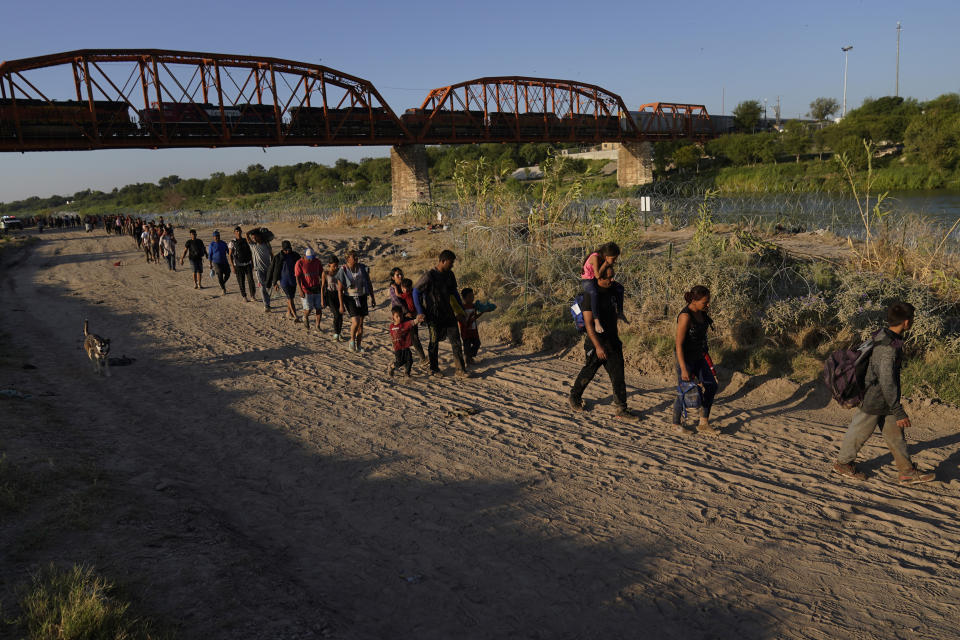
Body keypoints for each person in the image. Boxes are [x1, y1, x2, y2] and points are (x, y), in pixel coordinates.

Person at [833, 302, 936, 484]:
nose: (912, 323)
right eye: (911, 320)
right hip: (875, 397)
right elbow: (886, 380)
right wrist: (898, 409)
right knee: (859, 432)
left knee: (895, 434)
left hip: (883, 398)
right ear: (906, 322)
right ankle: (843, 463)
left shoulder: (882, 335)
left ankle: (906, 472)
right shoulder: (888, 347)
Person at [568, 268, 637, 419]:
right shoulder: (590, 295)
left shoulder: (613, 291)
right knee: (589, 371)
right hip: (596, 342)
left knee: (618, 376)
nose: (612, 280)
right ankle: (575, 396)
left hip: (613, 341)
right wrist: (598, 347)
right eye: (609, 278)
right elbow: (588, 324)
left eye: (613, 277)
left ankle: (621, 409)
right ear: (599, 278)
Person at [413, 249, 470, 378]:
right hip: (433, 315)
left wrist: (461, 309)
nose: (452, 265)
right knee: (434, 342)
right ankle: (433, 368)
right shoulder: (429, 276)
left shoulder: (450, 275)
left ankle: (460, 369)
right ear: (443, 261)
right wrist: (420, 312)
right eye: (451, 262)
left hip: (448, 313)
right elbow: (416, 292)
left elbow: (454, 293)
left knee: (456, 340)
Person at [673, 285, 720, 435]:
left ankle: (703, 423)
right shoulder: (685, 317)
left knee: (711, 385)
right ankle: (676, 423)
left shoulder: (702, 313)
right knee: (684, 390)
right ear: (694, 300)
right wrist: (684, 368)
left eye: (708, 301)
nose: (708, 304)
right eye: (705, 302)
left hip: (700, 356)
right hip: (685, 359)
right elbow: (678, 345)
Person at [580, 242, 626, 333]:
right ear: (606, 256)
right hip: (587, 281)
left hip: (595, 279)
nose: (615, 260)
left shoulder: (605, 259)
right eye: (613, 258)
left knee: (619, 288)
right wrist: (605, 264)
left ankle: (620, 311)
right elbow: (597, 275)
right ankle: (596, 320)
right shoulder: (595, 258)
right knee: (594, 293)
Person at [336, 250, 376, 353]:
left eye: (356, 256)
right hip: (350, 298)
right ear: (347, 259)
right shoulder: (343, 270)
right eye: (354, 257)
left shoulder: (362, 268)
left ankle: (358, 345)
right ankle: (351, 341)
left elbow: (369, 283)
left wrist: (372, 297)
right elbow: (340, 289)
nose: (356, 258)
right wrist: (341, 305)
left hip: (362, 297)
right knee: (356, 321)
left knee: (361, 325)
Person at [267, 240, 301, 322]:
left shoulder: (295, 255)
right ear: (282, 249)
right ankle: (295, 315)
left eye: (289, 249)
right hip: (284, 281)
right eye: (286, 249)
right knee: (290, 298)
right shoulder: (278, 257)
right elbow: (272, 270)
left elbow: (302, 265)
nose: (287, 251)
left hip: (293, 280)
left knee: (291, 297)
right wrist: (274, 283)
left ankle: (288, 313)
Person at [388, 305, 422, 377]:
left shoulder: (403, 325)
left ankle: (407, 374)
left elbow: (411, 323)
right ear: (393, 317)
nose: (399, 318)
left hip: (405, 347)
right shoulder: (391, 326)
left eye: (400, 316)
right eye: (397, 316)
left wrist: (417, 320)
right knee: (400, 362)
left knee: (410, 360)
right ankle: (392, 366)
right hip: (397, 349)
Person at [295, 248, 324, 331]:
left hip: (317, 287)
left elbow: (321, 273)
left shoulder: (317, 261)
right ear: (305, 256)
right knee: (309, 308)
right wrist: (300, 290)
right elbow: (297, 277)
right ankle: (305, 316)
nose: (311, 259)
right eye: (309, 258)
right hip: (306, 289)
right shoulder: (299, 263)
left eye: (312, 257)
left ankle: (317, 326)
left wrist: (323, 285)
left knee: (319, 308)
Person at [400, 277, 426, 362]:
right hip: (407, 318)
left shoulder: (410, 294)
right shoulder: (409, 294)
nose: (406, 290)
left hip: (412, 318)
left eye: (408, 288)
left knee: (414, 338)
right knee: (411, 338)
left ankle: (422, 358)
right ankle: (420, 358)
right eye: (404, 288)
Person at [458, 287, 486, 365]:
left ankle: (470, 357)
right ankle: (468, 359)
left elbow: (475, 317)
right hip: (465, 331)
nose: (472, 298)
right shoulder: (461, 307)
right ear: (464, 298)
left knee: (477, 343)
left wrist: (482, 312)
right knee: (467, 346)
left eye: (472, 296)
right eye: (469, 296)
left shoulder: (474, 306)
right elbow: (460, 318)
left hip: (474, 330)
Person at [229, 226, 256, 303]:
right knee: (241, 281)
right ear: (234, 233)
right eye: (237, 231)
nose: (238, 232)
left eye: (239, 231)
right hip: (238, 265)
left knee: (251, 280)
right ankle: (244, 296)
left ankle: (252, 296)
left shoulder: (245, 241)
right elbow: (230, 255)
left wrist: (252, 263)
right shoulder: (232, 242)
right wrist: (232, 267)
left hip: (248, 263)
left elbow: (250, 252)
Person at [248, 228, 273, 312]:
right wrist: (257, 228)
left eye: (255, 237)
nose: (254, 239)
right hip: (258, 270)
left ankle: (267, 302)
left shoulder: (267, 244)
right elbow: (246, 234)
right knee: (262, 287)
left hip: (268, 268)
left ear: (260, 236)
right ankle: (266, 305)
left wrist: (272, 265)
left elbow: (271, 254)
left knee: (269, 287)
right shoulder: (253, 246)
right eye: (253, 238)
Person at [321, 254, 344, 341]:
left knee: (340, 315)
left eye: (337, 265)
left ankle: (339, 332)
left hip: (339, 294)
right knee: (336, 314)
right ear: (329, 265)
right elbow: (322, 287)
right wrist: (322, 300)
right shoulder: (325, 273)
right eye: (334, 265)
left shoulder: (340, 272)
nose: (336, 267)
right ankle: (336, 333)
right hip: (330, 295)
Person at [207, 230, 231, 295]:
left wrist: (232, 256)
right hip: (216, 262)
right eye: (216, 236)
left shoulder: (223, 243)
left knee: (228, 273)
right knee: (220, 275)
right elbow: (210, 255)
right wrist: (210, 264)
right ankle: (223, 289)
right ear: (213, 237)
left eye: (218, 236)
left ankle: (222, 283)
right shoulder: (211, 245)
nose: (217, 237)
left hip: (224, 261)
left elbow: (228, 251)